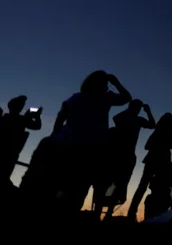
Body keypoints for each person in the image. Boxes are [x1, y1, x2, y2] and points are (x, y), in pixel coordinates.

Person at [52, 71, 132, 210]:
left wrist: (54, 137)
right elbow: (126, 98)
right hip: (89, 149)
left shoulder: (78, 98)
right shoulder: (104, 98)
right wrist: (116, 83)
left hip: (76, 147)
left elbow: (60, 118)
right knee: (78, 188)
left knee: (68, 187)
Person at [100, 100, 156, 219]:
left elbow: (152, 125)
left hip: (121, 155)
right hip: (122, 155)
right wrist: (148, 111)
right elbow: (152, 124)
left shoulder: (126, 118)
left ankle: (105, 211)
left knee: (115, 183)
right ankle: (107, 211)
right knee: (115, 183)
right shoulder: (136, 120)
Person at [127, 112, 172, 219]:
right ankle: (133, 213)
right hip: (159, 160)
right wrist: (166, 144)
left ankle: (137, 213)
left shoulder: (165, 130)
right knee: (148, 186)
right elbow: (150, 145)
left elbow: (149, 145)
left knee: (149, 187)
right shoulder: (163, 130)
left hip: (157, 160)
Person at [0, 96, 42, 187]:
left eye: (22, 105)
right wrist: (36, 116)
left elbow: (37, 126)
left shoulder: (18, 119)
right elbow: (37, 126)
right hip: (6, 152)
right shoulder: (19, 119)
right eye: (20, 105)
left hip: (11, 152)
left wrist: (36, 117)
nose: (21, 107)